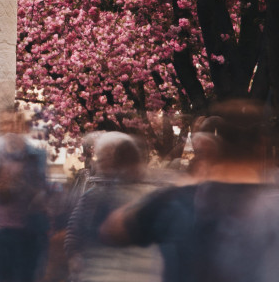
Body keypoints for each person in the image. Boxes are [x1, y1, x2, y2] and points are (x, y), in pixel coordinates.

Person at [101, 99, 279, 282]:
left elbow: (113, 229)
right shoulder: (273, 207)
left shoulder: (178, 201)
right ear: (262, 146)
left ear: (209, 147)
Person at [64, 131, 161, 282]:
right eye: (102, 157)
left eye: (109, 157)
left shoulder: (153, 196)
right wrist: (75, 258)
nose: (102, 163)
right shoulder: (93, 195)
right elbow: (74, 233)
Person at [0, 108, 50, 282]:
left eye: (14, 123)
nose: (10, 128)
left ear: (21, 126)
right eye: (5, 123)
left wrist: (21, 186)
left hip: (28, 232)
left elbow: (42, 191)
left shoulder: (36, 155)